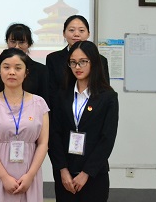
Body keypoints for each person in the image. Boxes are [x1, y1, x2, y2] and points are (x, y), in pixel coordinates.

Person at [49, 41, 118, 202]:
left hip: (94, 174)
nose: (77, 67)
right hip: (65, 174)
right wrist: (62, 169)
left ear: (93, 63)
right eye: (73, 62)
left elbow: (107, 138)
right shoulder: (62, 95)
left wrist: (86, 173)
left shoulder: (108, 97)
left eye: (83, 62)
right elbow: (54, 133)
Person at [0, 48, 50, 202]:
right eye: (6, 67)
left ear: (26, 73)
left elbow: (43, 144)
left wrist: (30, 176)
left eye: (18, 68)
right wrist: (4, 177)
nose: (12, 72)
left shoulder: (39, 103)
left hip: (29, 174)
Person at [46, 15, 110, 111]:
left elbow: (103, 89)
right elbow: (51, 91)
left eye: (81, 30)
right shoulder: (53, 59)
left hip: (91, 111)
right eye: (71, 30)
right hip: (61, 112)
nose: (76, 34)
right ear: (64, 33)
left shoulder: (100, 60)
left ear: (88, 34)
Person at [0, 23, 49, 105]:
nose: (17, 46)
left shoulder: (41, 70)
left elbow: (44, 102)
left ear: (29, 44)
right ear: (7, 42)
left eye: (21, 42)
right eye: (13, 42)